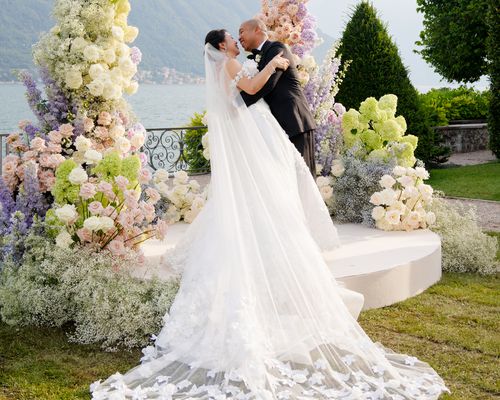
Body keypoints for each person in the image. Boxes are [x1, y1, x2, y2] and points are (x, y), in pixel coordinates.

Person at [90, 29, 448, 400]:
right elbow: (249, 88)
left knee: (259, 192)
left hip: (253, 127)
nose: (234, 39)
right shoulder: (229, 63)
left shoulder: (224, 64)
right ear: (220, 47)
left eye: (234, 36)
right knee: (267, 189)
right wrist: (275, 64)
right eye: (229, 37)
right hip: (252, 128)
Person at [239, 19, 317, 177]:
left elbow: (268, 84)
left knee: (304, 177)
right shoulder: (254, 58)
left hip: (295, 121)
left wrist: (238, 104)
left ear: (258, 30)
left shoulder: (277, 48)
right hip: (277, 127)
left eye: (241, 31)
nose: (239, 37)